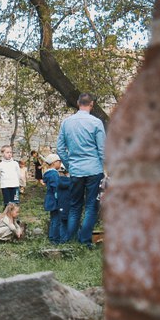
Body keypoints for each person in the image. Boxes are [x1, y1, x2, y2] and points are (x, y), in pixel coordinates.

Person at [56, 92, 106, 246]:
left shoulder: (66, 122)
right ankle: (84, 240)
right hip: (93, 170)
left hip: (76, 171)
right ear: (91, 105)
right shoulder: (96, 123)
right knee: (91, 205)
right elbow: (102, 150)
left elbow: (60, 148)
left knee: (75, 205)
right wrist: (103, 167)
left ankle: (70, 240)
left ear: (78, 103)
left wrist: (70, 164)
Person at [41, 153, 70, 243]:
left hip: (51, 199)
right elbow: (56, 187)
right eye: (59, 161)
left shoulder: (49, 174)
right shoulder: (53, 174)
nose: (60, 163)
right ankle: (55, 239)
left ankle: (52, 236)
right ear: (54, 163)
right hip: (55, 200)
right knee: (57, 220)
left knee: (54, 219)